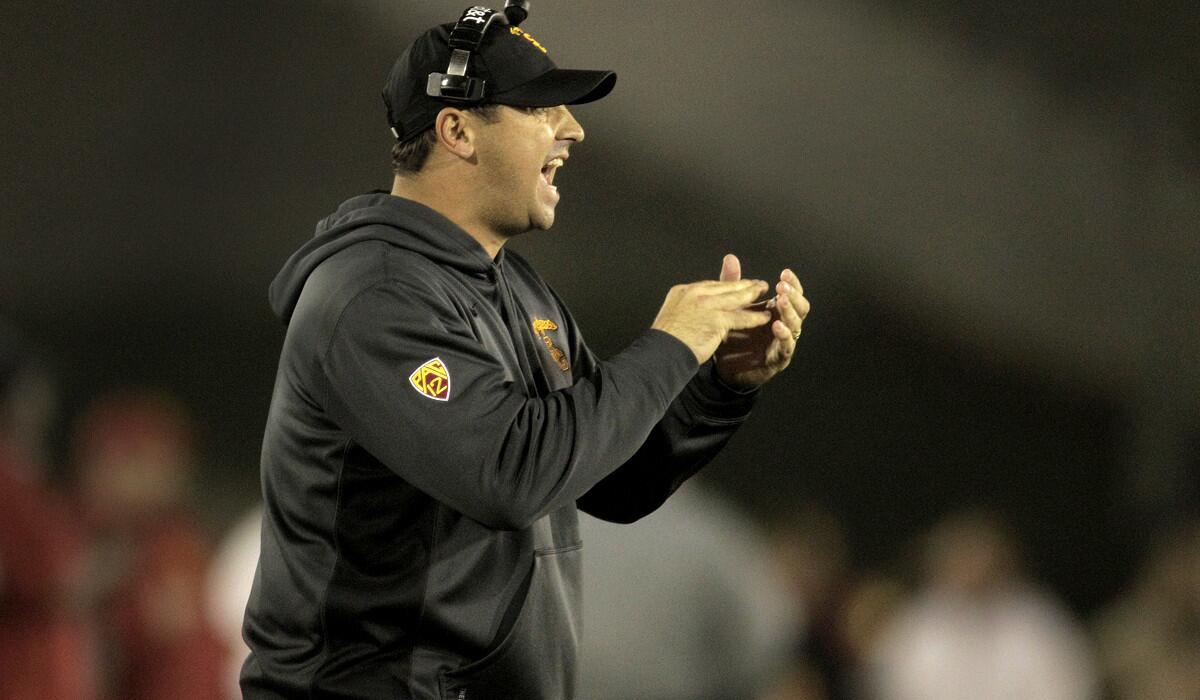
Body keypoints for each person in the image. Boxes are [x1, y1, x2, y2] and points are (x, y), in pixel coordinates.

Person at [242, 8, 810, 699]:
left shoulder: (512, 287)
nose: (571, 129)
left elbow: (613, 475)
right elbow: (508, 473)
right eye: (540, 107)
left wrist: (720, 382)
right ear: (457, 129)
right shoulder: (373, 294)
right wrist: (670, 341)